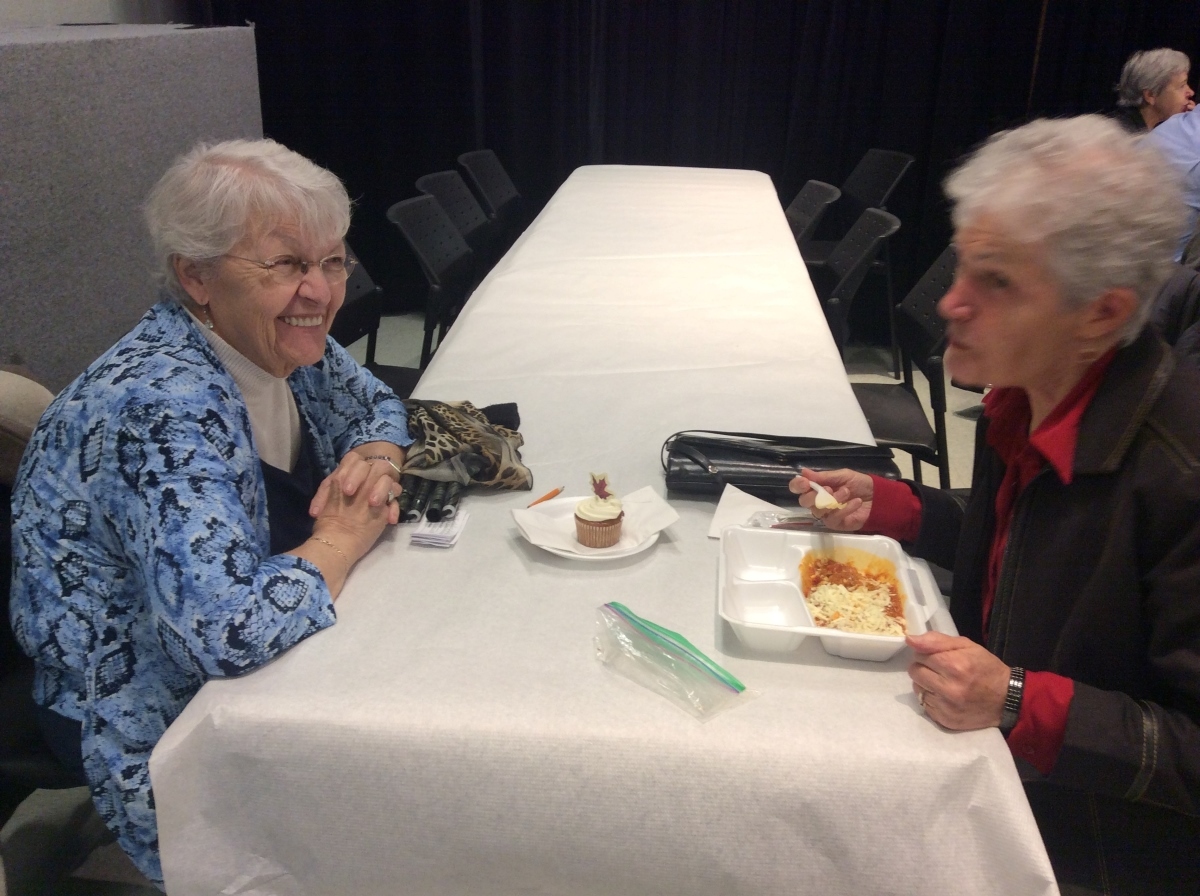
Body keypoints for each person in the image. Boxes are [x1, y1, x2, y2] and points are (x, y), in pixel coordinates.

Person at [792, 116, 1200, 894]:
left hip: (1087, 846)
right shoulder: (1026, 395)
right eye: (963, 267)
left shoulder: (1180, 473)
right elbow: (1030, 555)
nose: (951, 303)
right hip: (990, 771)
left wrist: (1015, 700)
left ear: (1101, 313)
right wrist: (900, 509)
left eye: (998, 282)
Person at [8, 139, 413, 888]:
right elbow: (224, 634)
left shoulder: (280, 342)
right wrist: (339, 538)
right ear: (196, 276)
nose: (320, 292)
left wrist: (378, 456)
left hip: (235, 630)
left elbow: (376, 405)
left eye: (332, 261)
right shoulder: (157, 406)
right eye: (286, 265)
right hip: (137, 697)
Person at [1112, 47, 1194, 133]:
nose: (1191, 92)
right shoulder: (1119, 133)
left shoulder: (1163, 130)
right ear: (1150, 95)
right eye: (1181, 86)